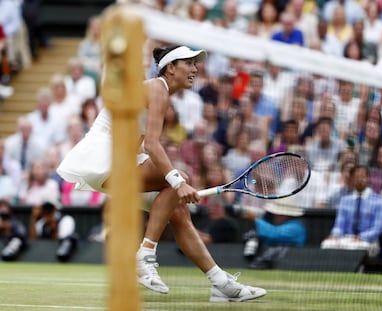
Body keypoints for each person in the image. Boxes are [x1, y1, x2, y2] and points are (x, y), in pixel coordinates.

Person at [56, 45, 266, 302]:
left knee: (178, 212)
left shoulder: (155, 92)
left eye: (195, 63)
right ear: (170, 68)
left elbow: (141, 145)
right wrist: (178, 183)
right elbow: (153, 145)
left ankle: (221, 284)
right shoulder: (157, 89)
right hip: (105, 158)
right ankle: (144, 255)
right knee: (180, 178)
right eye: (188, 63)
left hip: (116, 163)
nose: (195, 69)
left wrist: (173, 188)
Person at [321, 165, 382, 257]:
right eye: (356, 177)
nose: (360, 179)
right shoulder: (345, 200)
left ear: (368, 178)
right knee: (327, 245)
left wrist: (362, 237)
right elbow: (339, 225)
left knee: (356, 248)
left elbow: (378, 228)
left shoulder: (379, 201)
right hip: (346, 238)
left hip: (369, 241)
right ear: (352, 179)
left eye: (362, 176)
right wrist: (335, 235)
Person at [241, 196, 306, 269]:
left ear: (287, 215)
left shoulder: (296, 227)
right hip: (275, 262)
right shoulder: (274, 224)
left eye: (278, 214)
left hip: (292, 263)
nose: (275, 216)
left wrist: (255, 219)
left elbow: (273, 234)